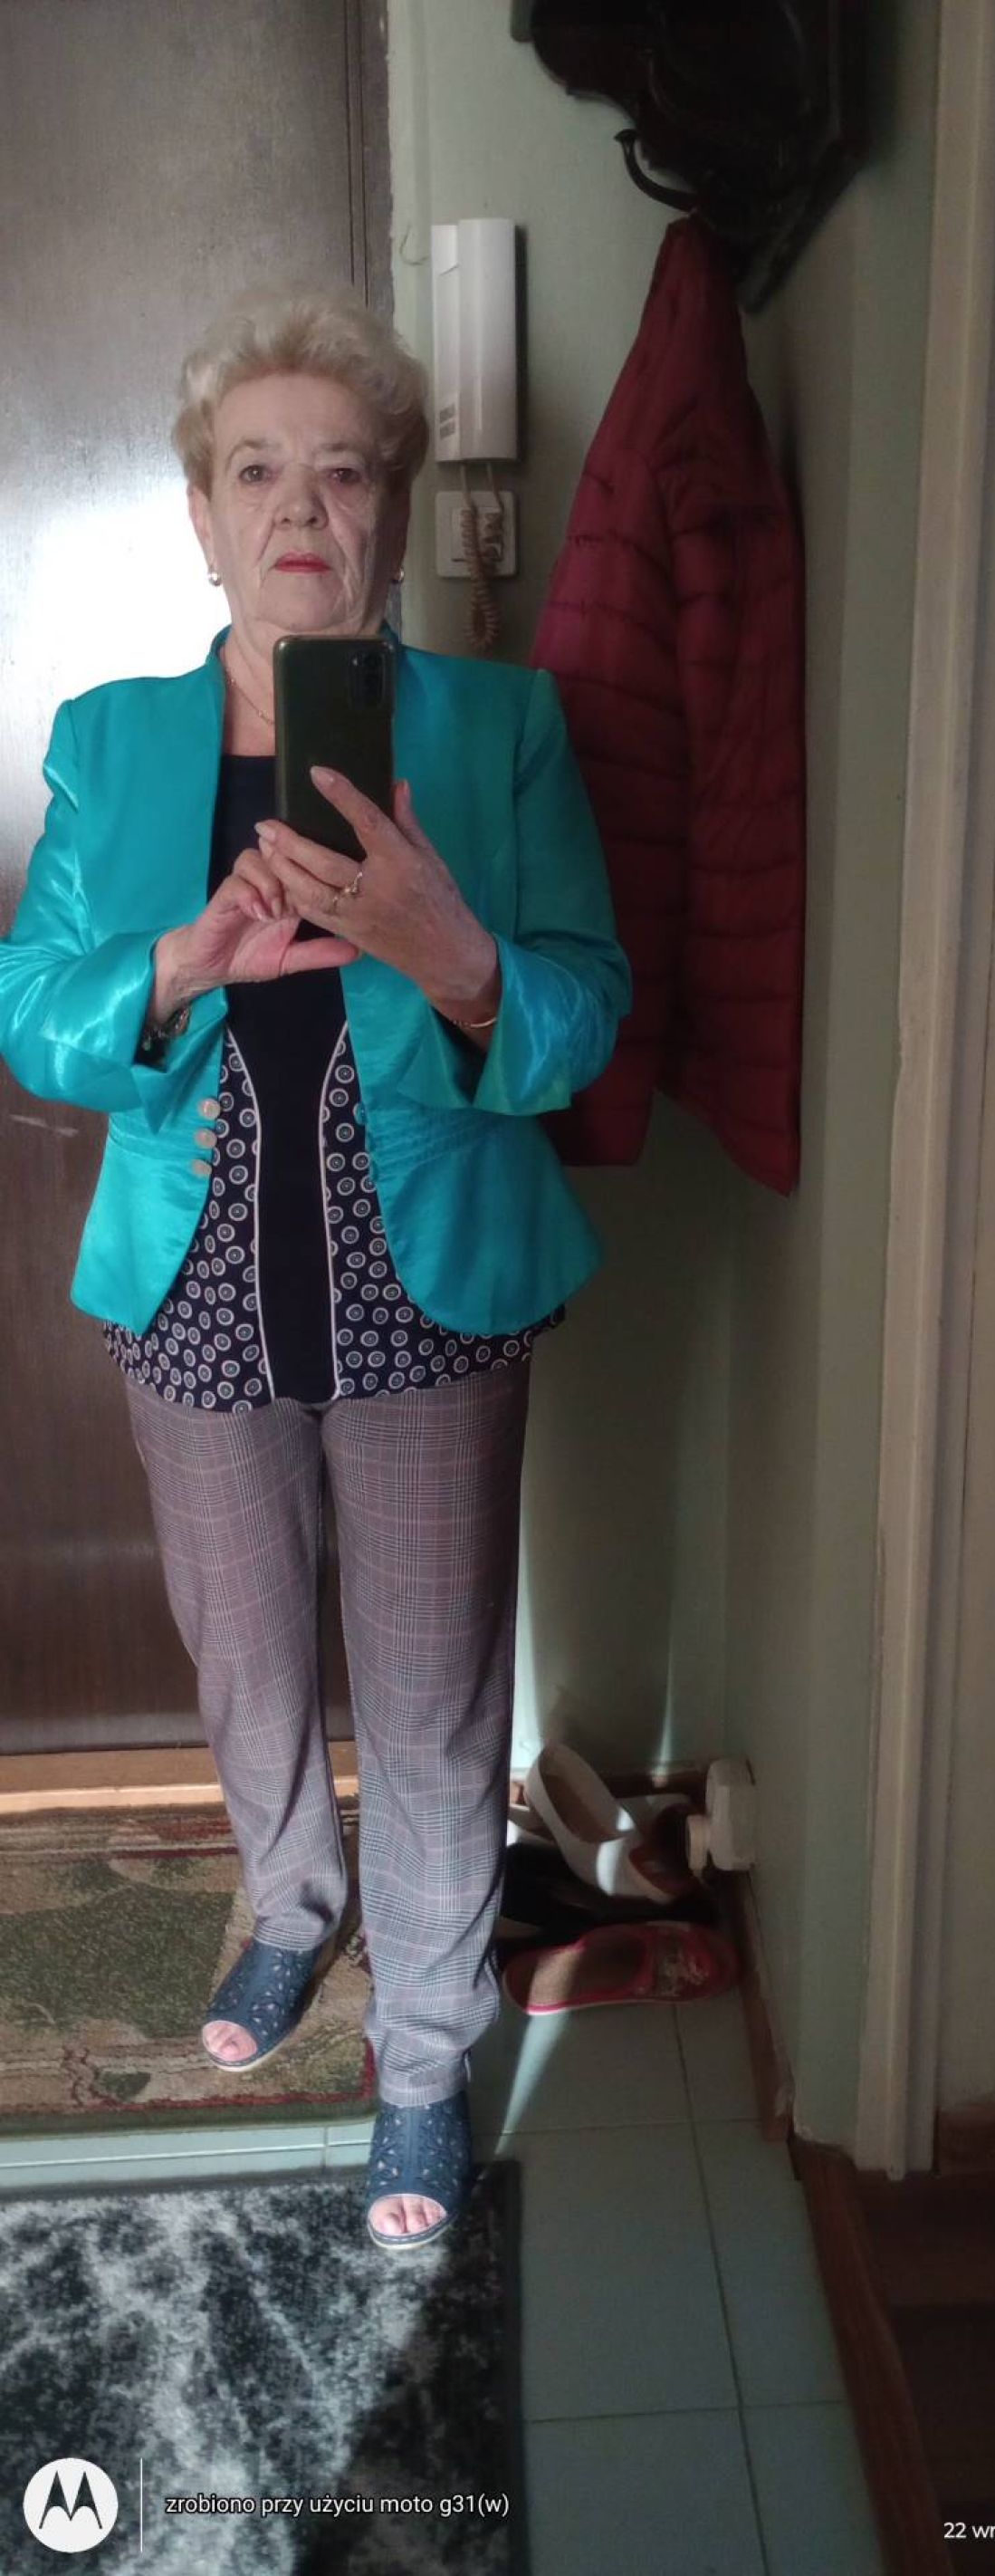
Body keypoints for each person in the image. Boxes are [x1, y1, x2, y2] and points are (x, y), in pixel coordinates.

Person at [0, 282, 631, 2250]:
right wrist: (184, 960)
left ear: (392, 510)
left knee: (432, 1694)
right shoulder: (112, 741)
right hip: (191, 1277)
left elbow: (588, 1015)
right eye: (256, 470)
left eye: (343, 473)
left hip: (429, 1276)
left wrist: (460, 959)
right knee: (250, 1655)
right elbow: (32, 1014)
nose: (301, 507)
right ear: (201, 515)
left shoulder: (500, 729)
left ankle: (423, 2059)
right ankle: (291, 1907)